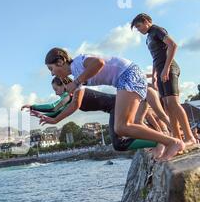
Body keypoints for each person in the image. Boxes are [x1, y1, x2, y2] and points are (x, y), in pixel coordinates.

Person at [44, 47, 185, 161]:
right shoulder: (76, 75)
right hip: (124, 79)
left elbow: (99, 63)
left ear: (61, 61)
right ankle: (166, 141)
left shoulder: (79, 62)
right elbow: (75, 105)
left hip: (129, 75)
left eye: (51, 69)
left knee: (123, 126)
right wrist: (55, 119)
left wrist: (76, 82)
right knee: (122, 128)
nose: (52, 74)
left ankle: (172, 142)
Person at [22, 77, 165, 157]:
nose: (57, 93)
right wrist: (40, 114)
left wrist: (33, 106)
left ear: (64, 84)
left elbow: (53, 107)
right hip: (115, 107)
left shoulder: (72, 92)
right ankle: (158, 140)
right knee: (121, 141)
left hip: (117, 106)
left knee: (119, 143)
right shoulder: (70, 97)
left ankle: (158, 142)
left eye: (56, 89)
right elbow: (55, 112)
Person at [131, 13, 197, 146]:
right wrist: (154, 75)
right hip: (161, 72)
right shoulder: (148, 38)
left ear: (146, 21)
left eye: (139, 26)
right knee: (167, 106)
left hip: (170, 69)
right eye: (137, 29)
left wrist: (166, 69)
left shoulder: (157, 30)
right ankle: (177, 137)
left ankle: (190, 137)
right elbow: (155, 58)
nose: (139, 30)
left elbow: (173, 45)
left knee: (173, 103)